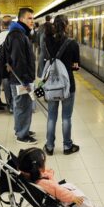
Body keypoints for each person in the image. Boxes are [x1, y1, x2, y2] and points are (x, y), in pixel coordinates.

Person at [17, 148, 104, 207]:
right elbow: (59, 191)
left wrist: (47, 172)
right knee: (81, 199)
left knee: (70, 186)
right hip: (58, 199)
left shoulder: (28, 175)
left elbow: (51, 184)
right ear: (39, 169)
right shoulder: (45, 183)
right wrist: (72, 197)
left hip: (50, 194)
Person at [43, 15, 80, 155]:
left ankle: (50, 146)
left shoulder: (47, 40)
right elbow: (76, 66)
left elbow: (46, 58)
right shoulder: (72, 43)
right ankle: (67, 146)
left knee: (51, 116)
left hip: (52, 84)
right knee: (66, 117)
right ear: (66, 25)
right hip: (68, 85)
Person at [4, 8, 36, 144]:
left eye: (32, 18)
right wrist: (25, 80)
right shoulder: (17, 35)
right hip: (20, 79)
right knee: (23, 106)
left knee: (22, 105)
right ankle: (22, 136)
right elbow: (19, 60)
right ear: (21, 19)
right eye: (29, 18)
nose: (32, 21)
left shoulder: (19, 33)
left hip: (19, 78)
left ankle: (21, 129)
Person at [0, 16, 12, 113]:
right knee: (12, 85)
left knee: (3, 84)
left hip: (1, 65)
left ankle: (8, 105)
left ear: (2, 26)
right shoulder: (13, 35)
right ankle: (13, 105)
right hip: (12, 66)